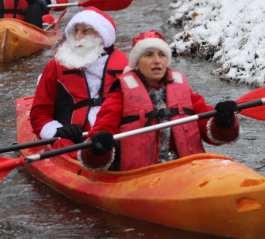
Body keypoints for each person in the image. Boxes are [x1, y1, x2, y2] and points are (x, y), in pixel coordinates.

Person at [79, 31, 240, 171]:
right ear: (136, 64)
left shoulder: (183, 92)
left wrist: (224, 122)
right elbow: (94, 152)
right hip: (140, 177)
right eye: (149, 55)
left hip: (190, 169)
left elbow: (212, 133)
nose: (157, 61)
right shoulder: (120, 95)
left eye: (161, 55)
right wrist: (99, 148)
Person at [31, 8, 128, 151]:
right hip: (71, 140)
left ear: (102, 35)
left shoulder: (124, 66)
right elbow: (39, 112)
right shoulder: (55, 66)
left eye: (85, 31)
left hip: (113, 135)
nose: (77, 37)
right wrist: (56, 131)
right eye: (75, 31)